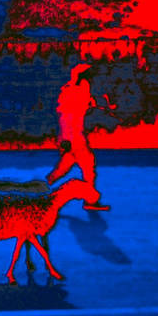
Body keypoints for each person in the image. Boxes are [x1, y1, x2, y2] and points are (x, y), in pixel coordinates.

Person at [46, 63, 111, 211]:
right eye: (88, 74)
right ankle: (91, 200)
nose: (91, 77)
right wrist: (66, 138)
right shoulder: (76, 89)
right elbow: (65, 115)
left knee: (63, 169)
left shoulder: (75, 89)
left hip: (72, 135)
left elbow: (84, 104)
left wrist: (97, 104)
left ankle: (40, 190)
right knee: (88, 166)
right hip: (73, 136)